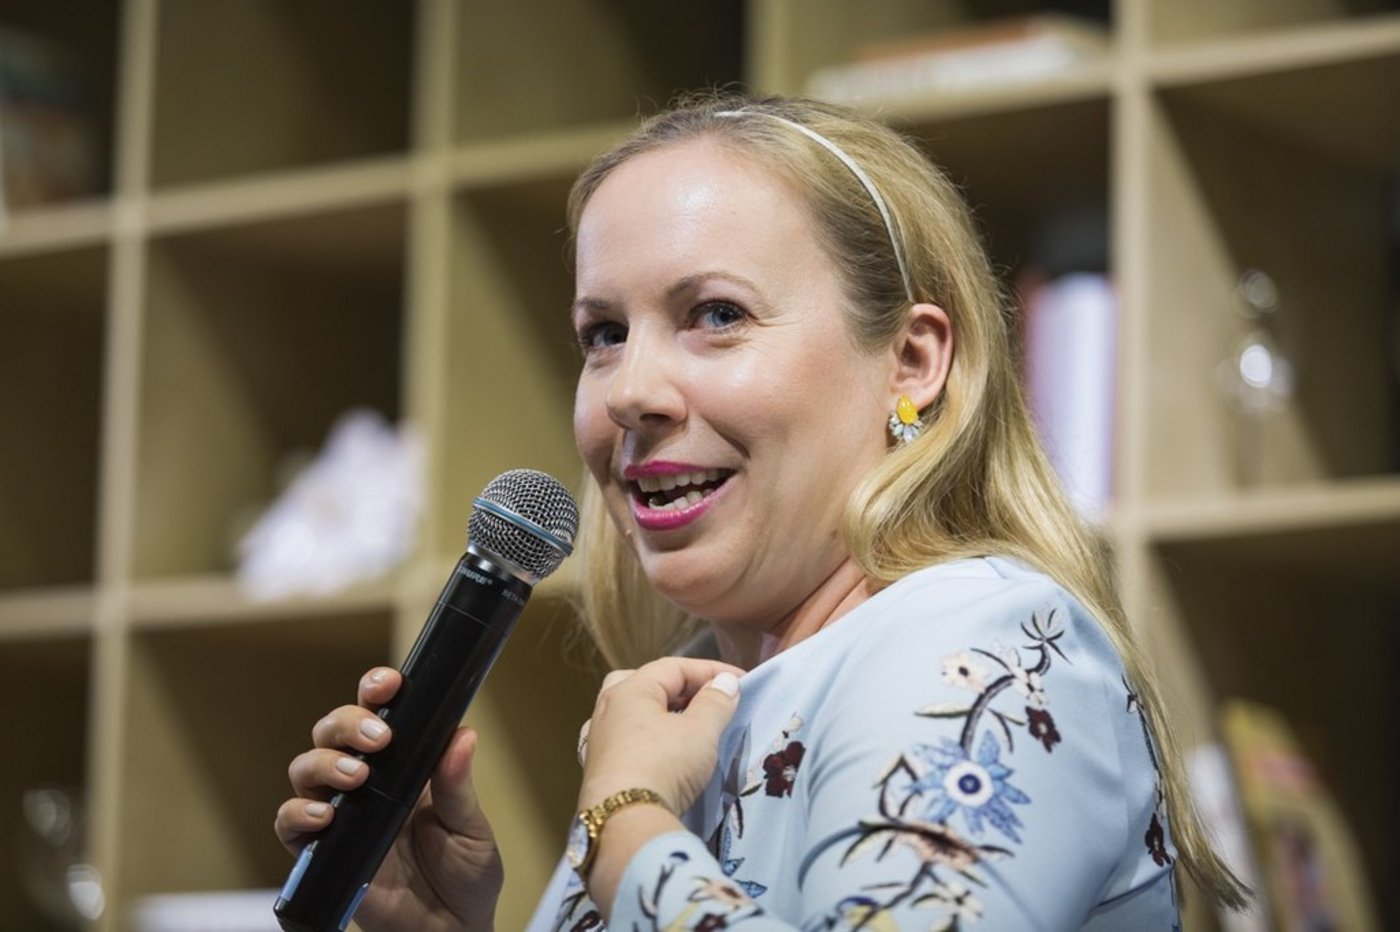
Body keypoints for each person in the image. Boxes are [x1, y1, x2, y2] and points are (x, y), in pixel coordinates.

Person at [276, 93, 1247, 930]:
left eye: (716, 314)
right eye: (603, 333)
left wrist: (627, 821)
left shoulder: (980, 641)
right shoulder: (687, 712)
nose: (629, 391)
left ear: (911, 362)